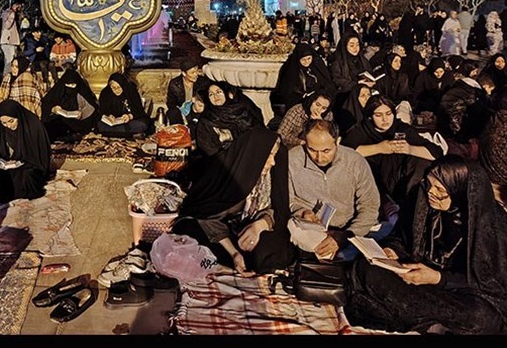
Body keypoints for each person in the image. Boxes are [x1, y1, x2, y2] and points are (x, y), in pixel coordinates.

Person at [344, 157, 507, 335]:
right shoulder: (421, 199)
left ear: (460, 189)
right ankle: (432, 324)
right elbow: (401, 237)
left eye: (439, 190)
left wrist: (437, 278)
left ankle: (422, 321)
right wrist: (391, 250)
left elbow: (491, 281)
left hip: (461, 293)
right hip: (416, 281)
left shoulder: (490, 222)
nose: (430, 192)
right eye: (428, 184)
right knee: (365, 267)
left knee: (480, 317)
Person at [172, 127, 293, 275]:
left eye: (274, 155)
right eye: (269, 156)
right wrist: (234, 253)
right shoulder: (226, 173)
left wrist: (262, 224)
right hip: (216, 232)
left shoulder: (267, 177)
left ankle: (242, 267)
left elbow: (279, 210)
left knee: (271, 250)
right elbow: (205, 215)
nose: (273, 162)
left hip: (246, 229)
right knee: (191, 239)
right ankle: (226, 267)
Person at [287, 119, 380, 261]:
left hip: (349, 228)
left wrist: (346, 235)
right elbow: (287, 200)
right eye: (312, 150)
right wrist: (302, 212)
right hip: (309, 228)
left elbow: (370, 206)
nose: (319, 158)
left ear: (338, 141)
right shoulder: (292, 160)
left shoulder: (355, 161)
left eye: (326, 151)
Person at [343, 96, 442, 211]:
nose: (385, 119)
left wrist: (409, 149)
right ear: (370, 116)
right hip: (371, 183)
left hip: (401, 180)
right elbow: (344, 152)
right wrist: (379, 148)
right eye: (378, 115)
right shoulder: (361, 131)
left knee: (420, 161)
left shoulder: (402, 129)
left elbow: (436, 152)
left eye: (388, 114)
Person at [0, 100, 51, 203]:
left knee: (27, 177)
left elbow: (39, 157)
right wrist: (3, 162)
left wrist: (20, 162)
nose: (8, 125)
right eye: (4, 123)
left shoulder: (33, 126)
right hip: (7, 165)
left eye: (11, 121)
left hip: (29, 165)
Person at [271, 42, 335, 113]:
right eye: (303, 60)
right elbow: (288, 90)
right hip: (299, 104)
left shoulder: (316, 68)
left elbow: (327, 84)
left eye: (309, 58)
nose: (307, 62)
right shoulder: (292, 70)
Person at [40, 67, 100, 142]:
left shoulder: (82, 92)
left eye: (73, 85)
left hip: (78, 123)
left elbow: (92, 108)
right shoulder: (58, 91)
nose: (70, 87)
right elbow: (46, 105)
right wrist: (53, 109)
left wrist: (81, 114)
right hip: (60, 121)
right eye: (68, 85)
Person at [96, 73, 153, 138]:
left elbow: (139, 110)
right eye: (113, 88)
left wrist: (130, 116)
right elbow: (102, 111)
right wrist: (109, 116)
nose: (116, 90)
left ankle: (114, 133)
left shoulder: (130, 91)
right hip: (113, 123)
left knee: (143, 124)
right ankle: (130, 134)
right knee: (100, 125)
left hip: (129, 122)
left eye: (118, 87)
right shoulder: (106, 93)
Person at [330, 32, 374, 102]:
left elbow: (369, 73)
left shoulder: (362, 59)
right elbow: (336, 80)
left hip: (365, 92)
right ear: (345, 46)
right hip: (347, 95)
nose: (355, 48)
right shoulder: (338, 61)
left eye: (357, 45)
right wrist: (356, 83)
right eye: (351, 45)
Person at [166, 59, 209, 126]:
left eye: (196, 71)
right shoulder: (175, 84)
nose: (196, 74)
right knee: (172, 113)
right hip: (181, 111)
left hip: (196, 109)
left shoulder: (202, 82)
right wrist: (181, 112)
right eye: (192, 72)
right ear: (184, 73)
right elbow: (171, 103)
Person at [0, 0, 23, 71]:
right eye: (17, 5)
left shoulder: (15, 14)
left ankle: (10, 76)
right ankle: (6, 76)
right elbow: (7, 26)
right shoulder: (8, 13)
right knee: (9, 63)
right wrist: (12, 15)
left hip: (12, 42)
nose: (18, 7)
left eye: (20, 6)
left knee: (12, 62)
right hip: (8, 41)